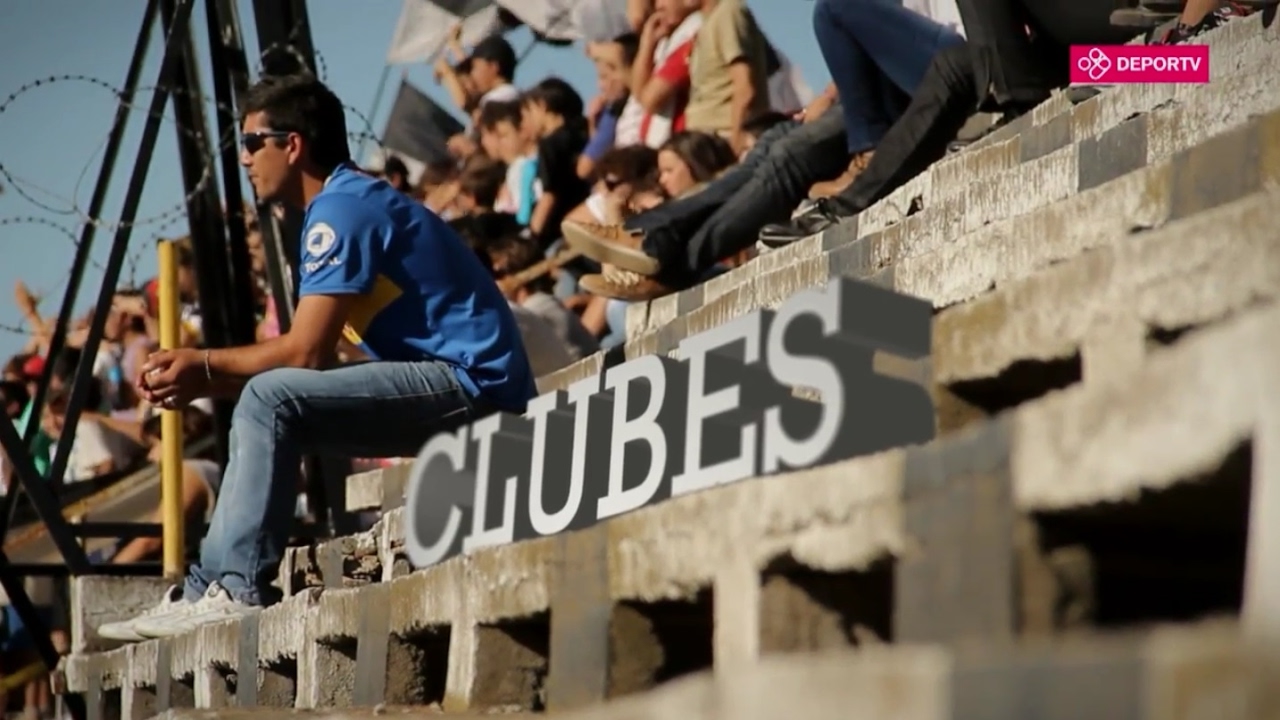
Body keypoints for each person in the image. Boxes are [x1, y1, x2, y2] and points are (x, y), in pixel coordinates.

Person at [98, 74, 535, 641]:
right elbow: (310, 366)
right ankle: (213, 584)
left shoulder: (341, 211)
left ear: (293, 144)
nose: (245, 159)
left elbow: (305, 353)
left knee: (268, 396)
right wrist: (208, 378)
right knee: (267, 400)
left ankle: (233, 585)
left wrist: (203, 365)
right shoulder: (342, 205)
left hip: (477, 389)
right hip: (455, 387)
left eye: (253, 143)